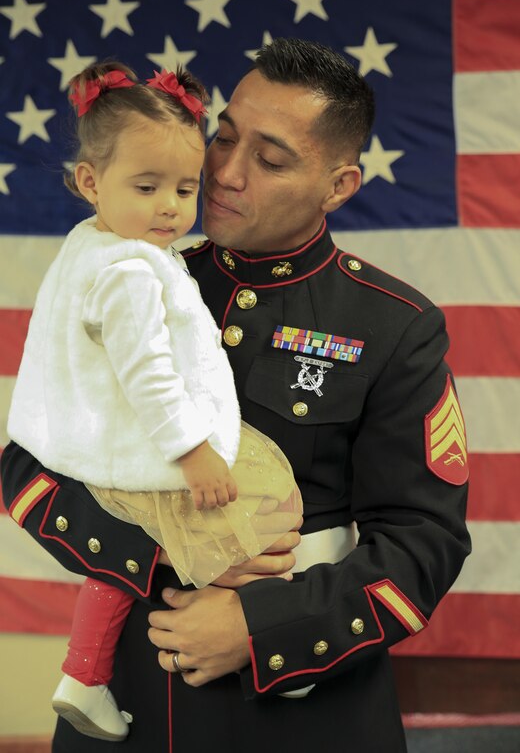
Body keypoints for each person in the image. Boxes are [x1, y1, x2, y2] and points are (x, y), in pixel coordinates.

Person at [1, 38, 471, 753]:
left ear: (339, 184)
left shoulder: (393, 325)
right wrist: (158, 553)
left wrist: (260, 628)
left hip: (299, 718)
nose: (223, 171)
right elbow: (28, 465)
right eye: (222, 136)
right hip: (123, 708)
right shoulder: (123, 275)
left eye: (271, 159)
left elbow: (421, 545)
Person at [4, 60, 302, 742]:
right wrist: (193, 454)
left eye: (184, 187)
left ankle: (83, 673)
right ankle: (276, 644)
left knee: (117, 567)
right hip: (155, 445)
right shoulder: (132, 272)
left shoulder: (97, 245)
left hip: (102, 445)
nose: (170, 205)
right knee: (258, 509)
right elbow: (149, 377)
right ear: (89, 181)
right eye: (147, 186)